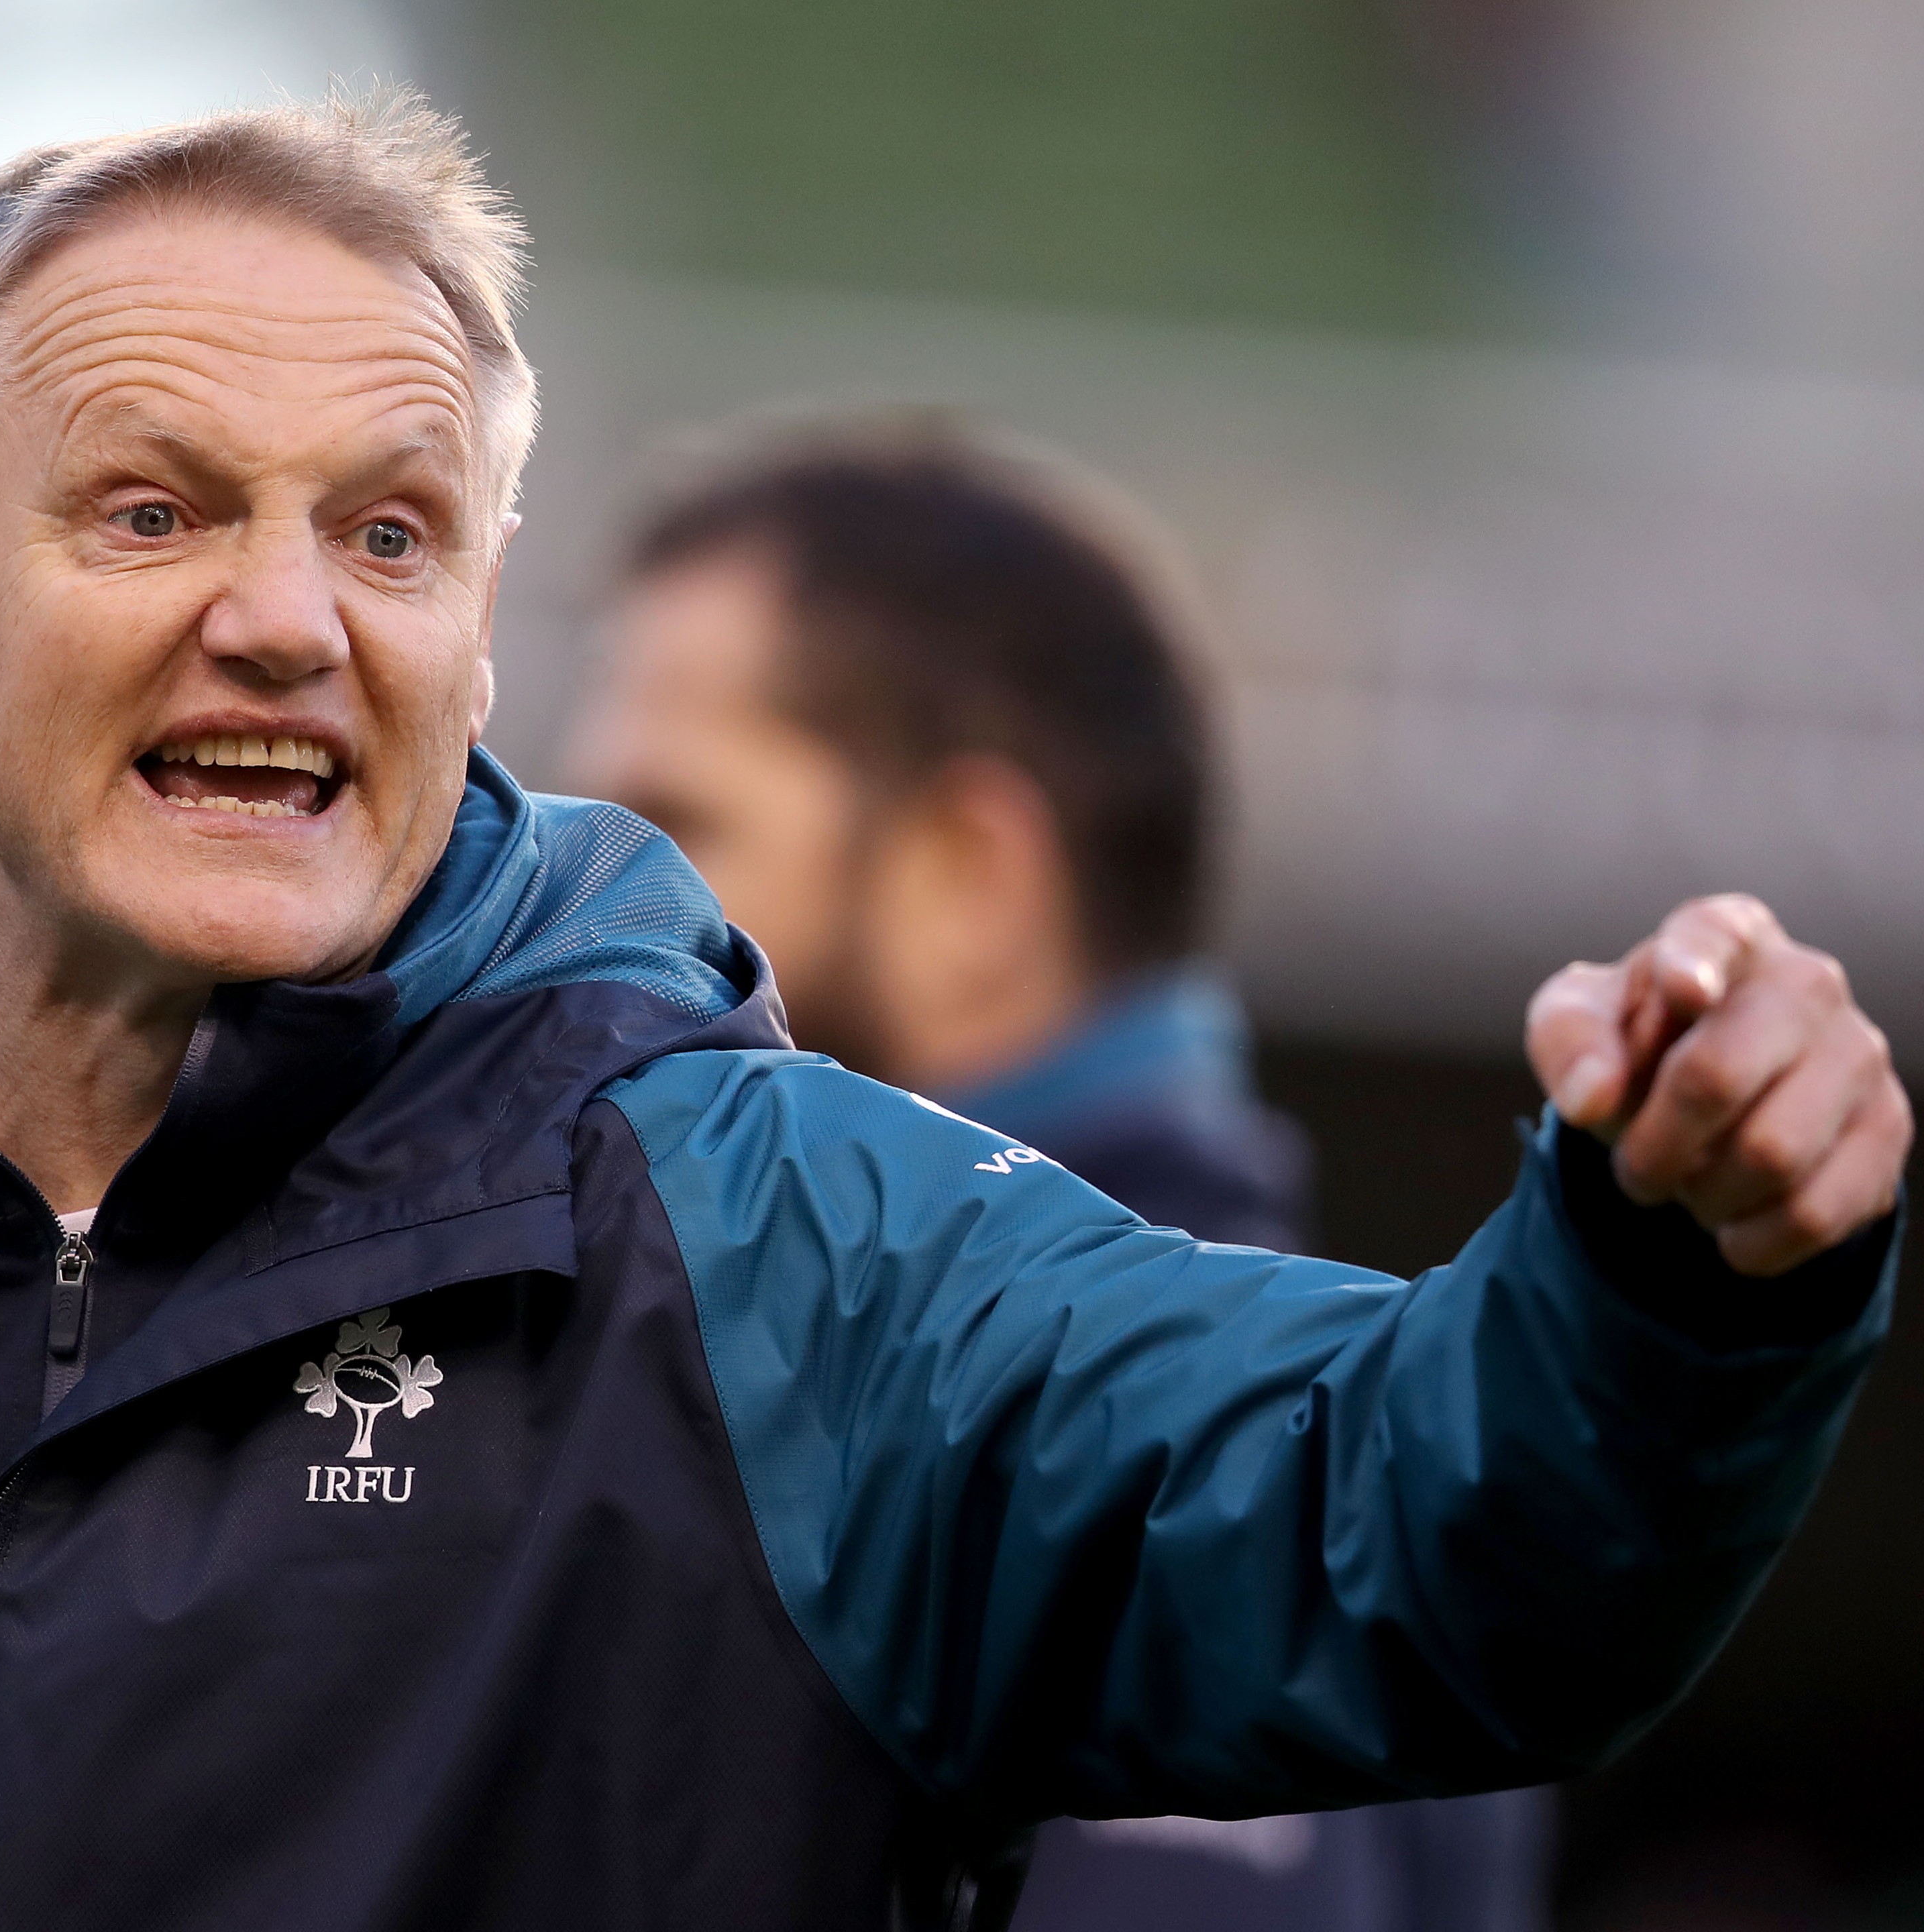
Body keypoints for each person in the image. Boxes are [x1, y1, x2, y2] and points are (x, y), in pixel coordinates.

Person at [0, 95, 1911, 1932]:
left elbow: (1409, 1532)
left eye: (388, 528)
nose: (288, 613)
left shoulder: (773, 1245)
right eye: (152, 505)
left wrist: (1664, 1276)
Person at [569, 427, 1556, 1928]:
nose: (580, 921)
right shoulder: (1273, 1425)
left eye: (671, 828)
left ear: (972, 874)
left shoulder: (1175, 1470)